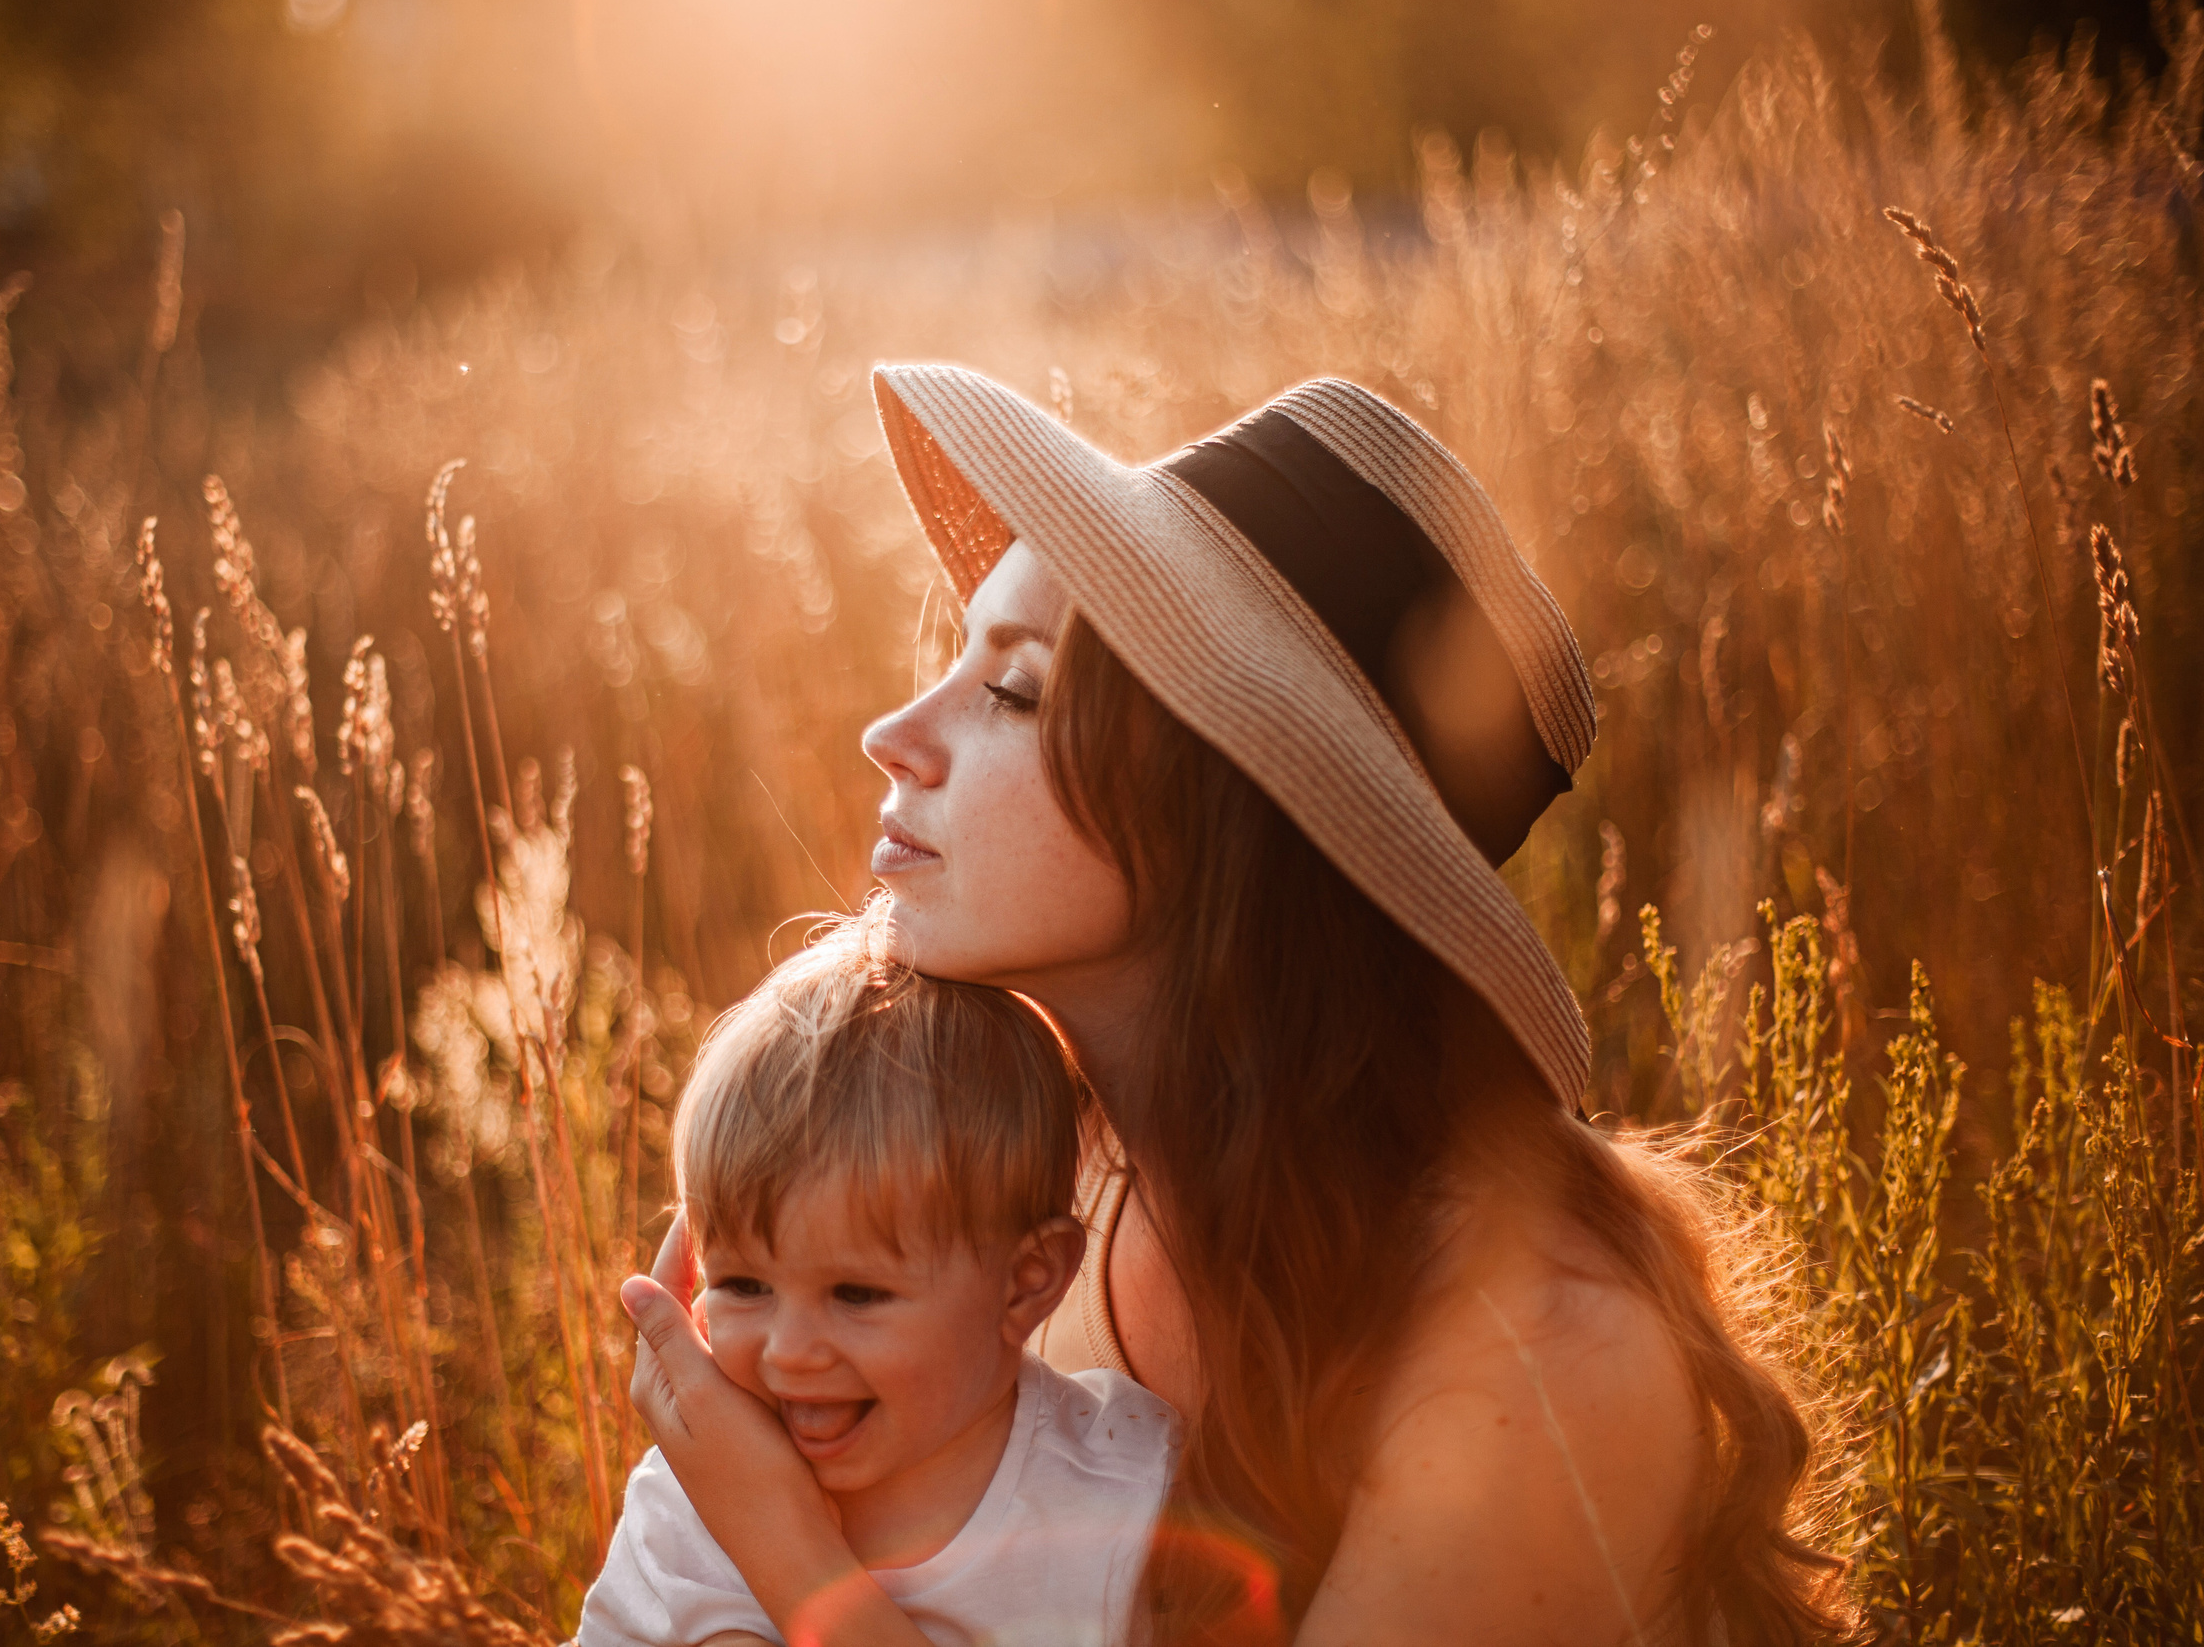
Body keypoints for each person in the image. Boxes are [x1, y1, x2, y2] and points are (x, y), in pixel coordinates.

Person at [622, 366, 1850, 1646]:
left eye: (1015, 691)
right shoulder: (1053, 1184)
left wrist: (772, 1534)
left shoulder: (1529, 1356)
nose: (894, 732)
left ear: (1220, 810)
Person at [582, 920, 1179, 1647]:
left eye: (856, 1293)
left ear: (1027, 1282)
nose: (790, 1351)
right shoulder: (697, 1492)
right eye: (741, 1283)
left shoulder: (1121, 1501)